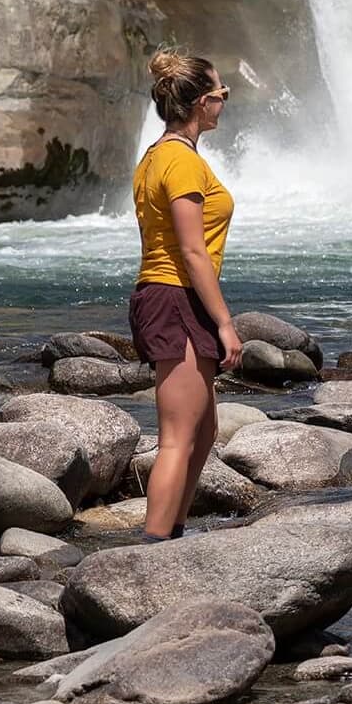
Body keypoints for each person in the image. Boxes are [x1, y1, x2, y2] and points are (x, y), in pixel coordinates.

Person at [128, 49, 242, 542]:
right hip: (174, 296)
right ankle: (151, 552)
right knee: (176, 438)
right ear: (200, 103)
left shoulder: (160, 155)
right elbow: (193, 252)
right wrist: (225, 322)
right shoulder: (178, 161)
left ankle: (172, 531)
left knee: (203, 433)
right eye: (221, 93)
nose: (224, 101)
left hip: (174, 295)